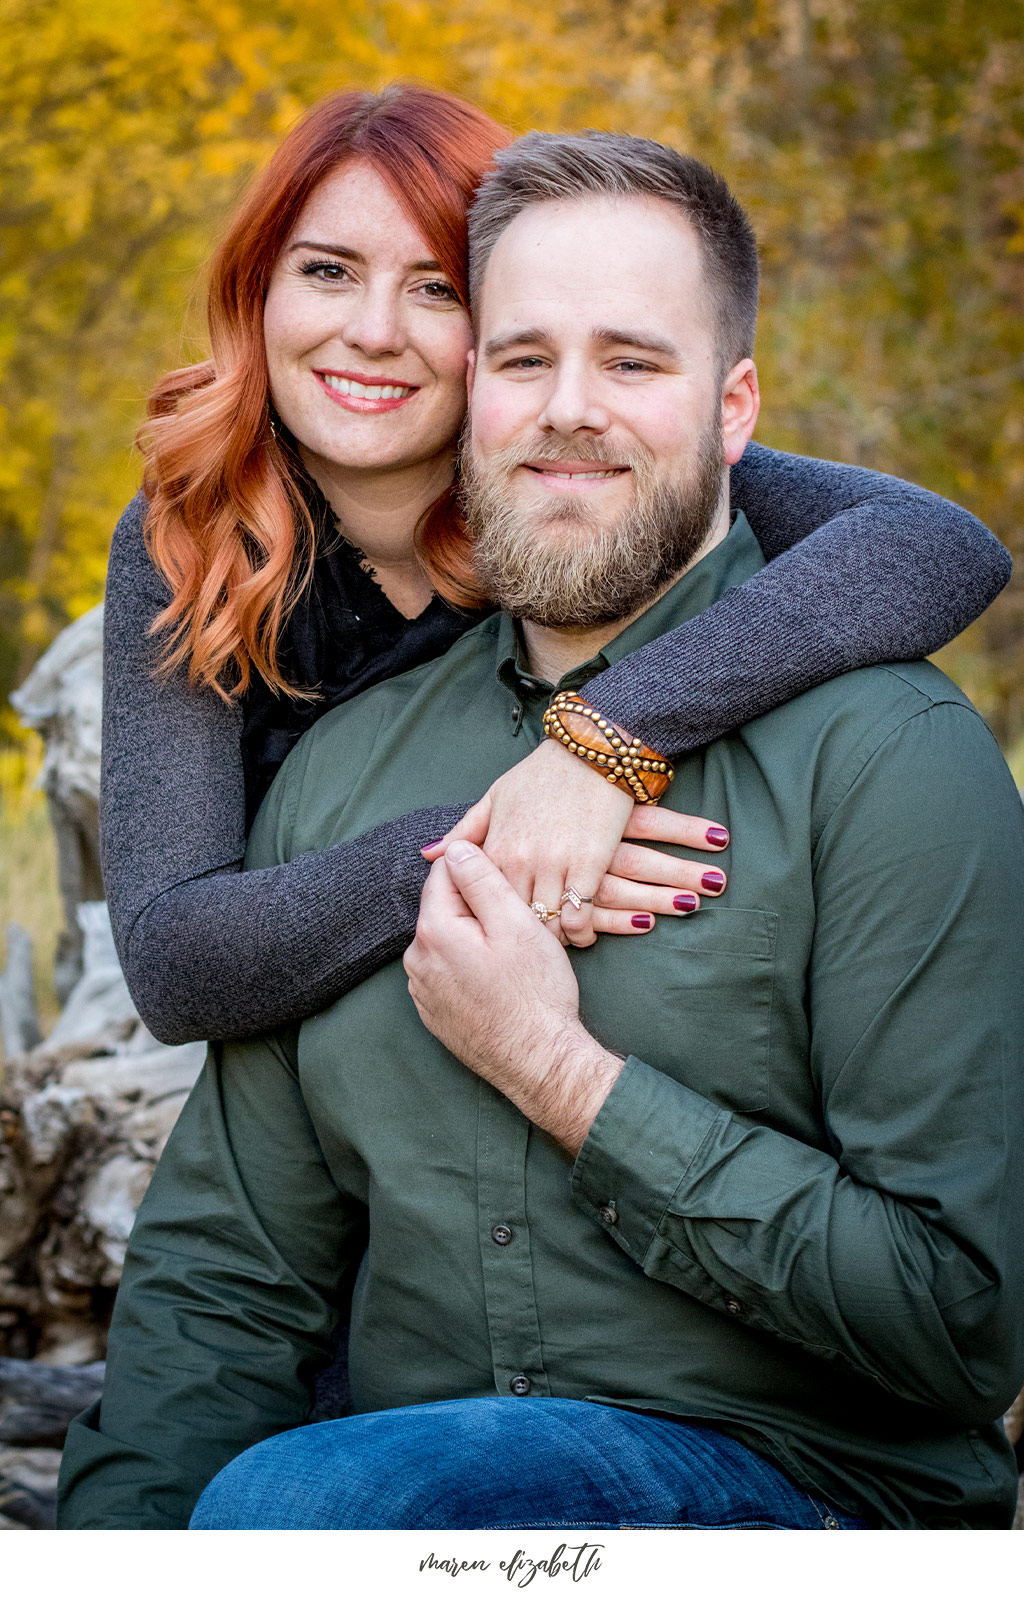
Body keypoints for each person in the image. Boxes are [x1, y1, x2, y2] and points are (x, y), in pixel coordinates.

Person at [59, 131, 1024, 1532]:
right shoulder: (299, 708)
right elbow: (224, 1267)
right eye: (527, 360)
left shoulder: (885, 758)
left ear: (732, 405)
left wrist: (560, 1064)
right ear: (474, 396)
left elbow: (966, 1327)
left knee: (333, 1503)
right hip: (384, 1461)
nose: (572, 408)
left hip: (798, 1488)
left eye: (633, 363)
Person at [102, 84, 1011, 1048]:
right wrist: (494, 845)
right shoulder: (193, 532)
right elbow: (175, 963)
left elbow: (937, 544)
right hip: (309, 1058)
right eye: (327, 271)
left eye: (436, 288)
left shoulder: (562, 481)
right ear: (259, 288)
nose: (373, 329)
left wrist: (604, 741)